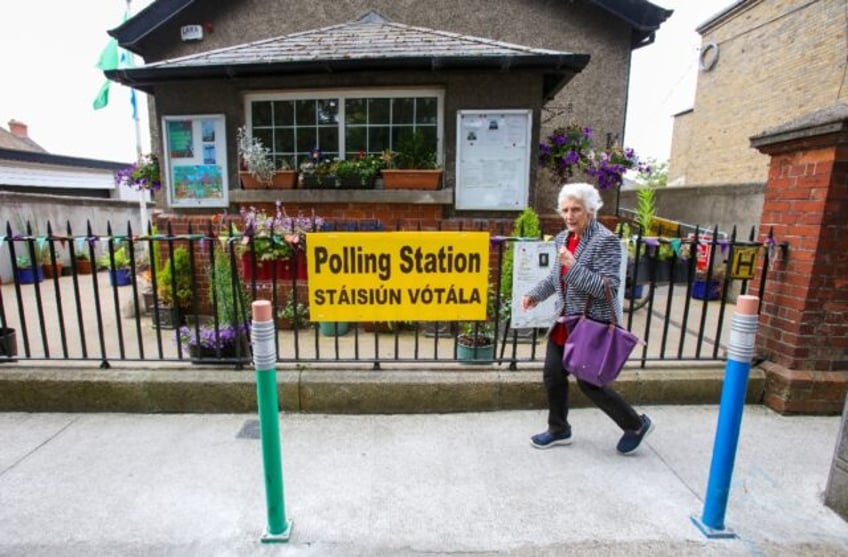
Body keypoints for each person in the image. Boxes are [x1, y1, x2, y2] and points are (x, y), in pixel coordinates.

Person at [521, 182, 653, 454]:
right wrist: (535, 295)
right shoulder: (562, 238)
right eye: (565, 210)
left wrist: (573, 265)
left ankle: (636, 424)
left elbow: (608, 287)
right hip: (565, 321)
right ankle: (559, 430)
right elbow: (557, 278)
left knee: (590, 383)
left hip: (592, 322)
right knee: (553, 376)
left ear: (590, 210)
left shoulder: (606, 241)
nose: (569, 215)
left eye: (576, 210)